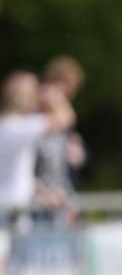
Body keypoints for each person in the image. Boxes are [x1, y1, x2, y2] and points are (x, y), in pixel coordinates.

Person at [0, 70, 75, 230]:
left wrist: (42, 192)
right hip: (10, 212)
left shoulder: (8, 126)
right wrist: (53, 97)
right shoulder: (19, 127)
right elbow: (65, 117)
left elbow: (17, 171)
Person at [34, 56, 87, 226]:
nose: (70, 95)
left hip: (60, 198)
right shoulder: (35, 120)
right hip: (38, 200)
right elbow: (69, 117)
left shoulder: (60, 127)